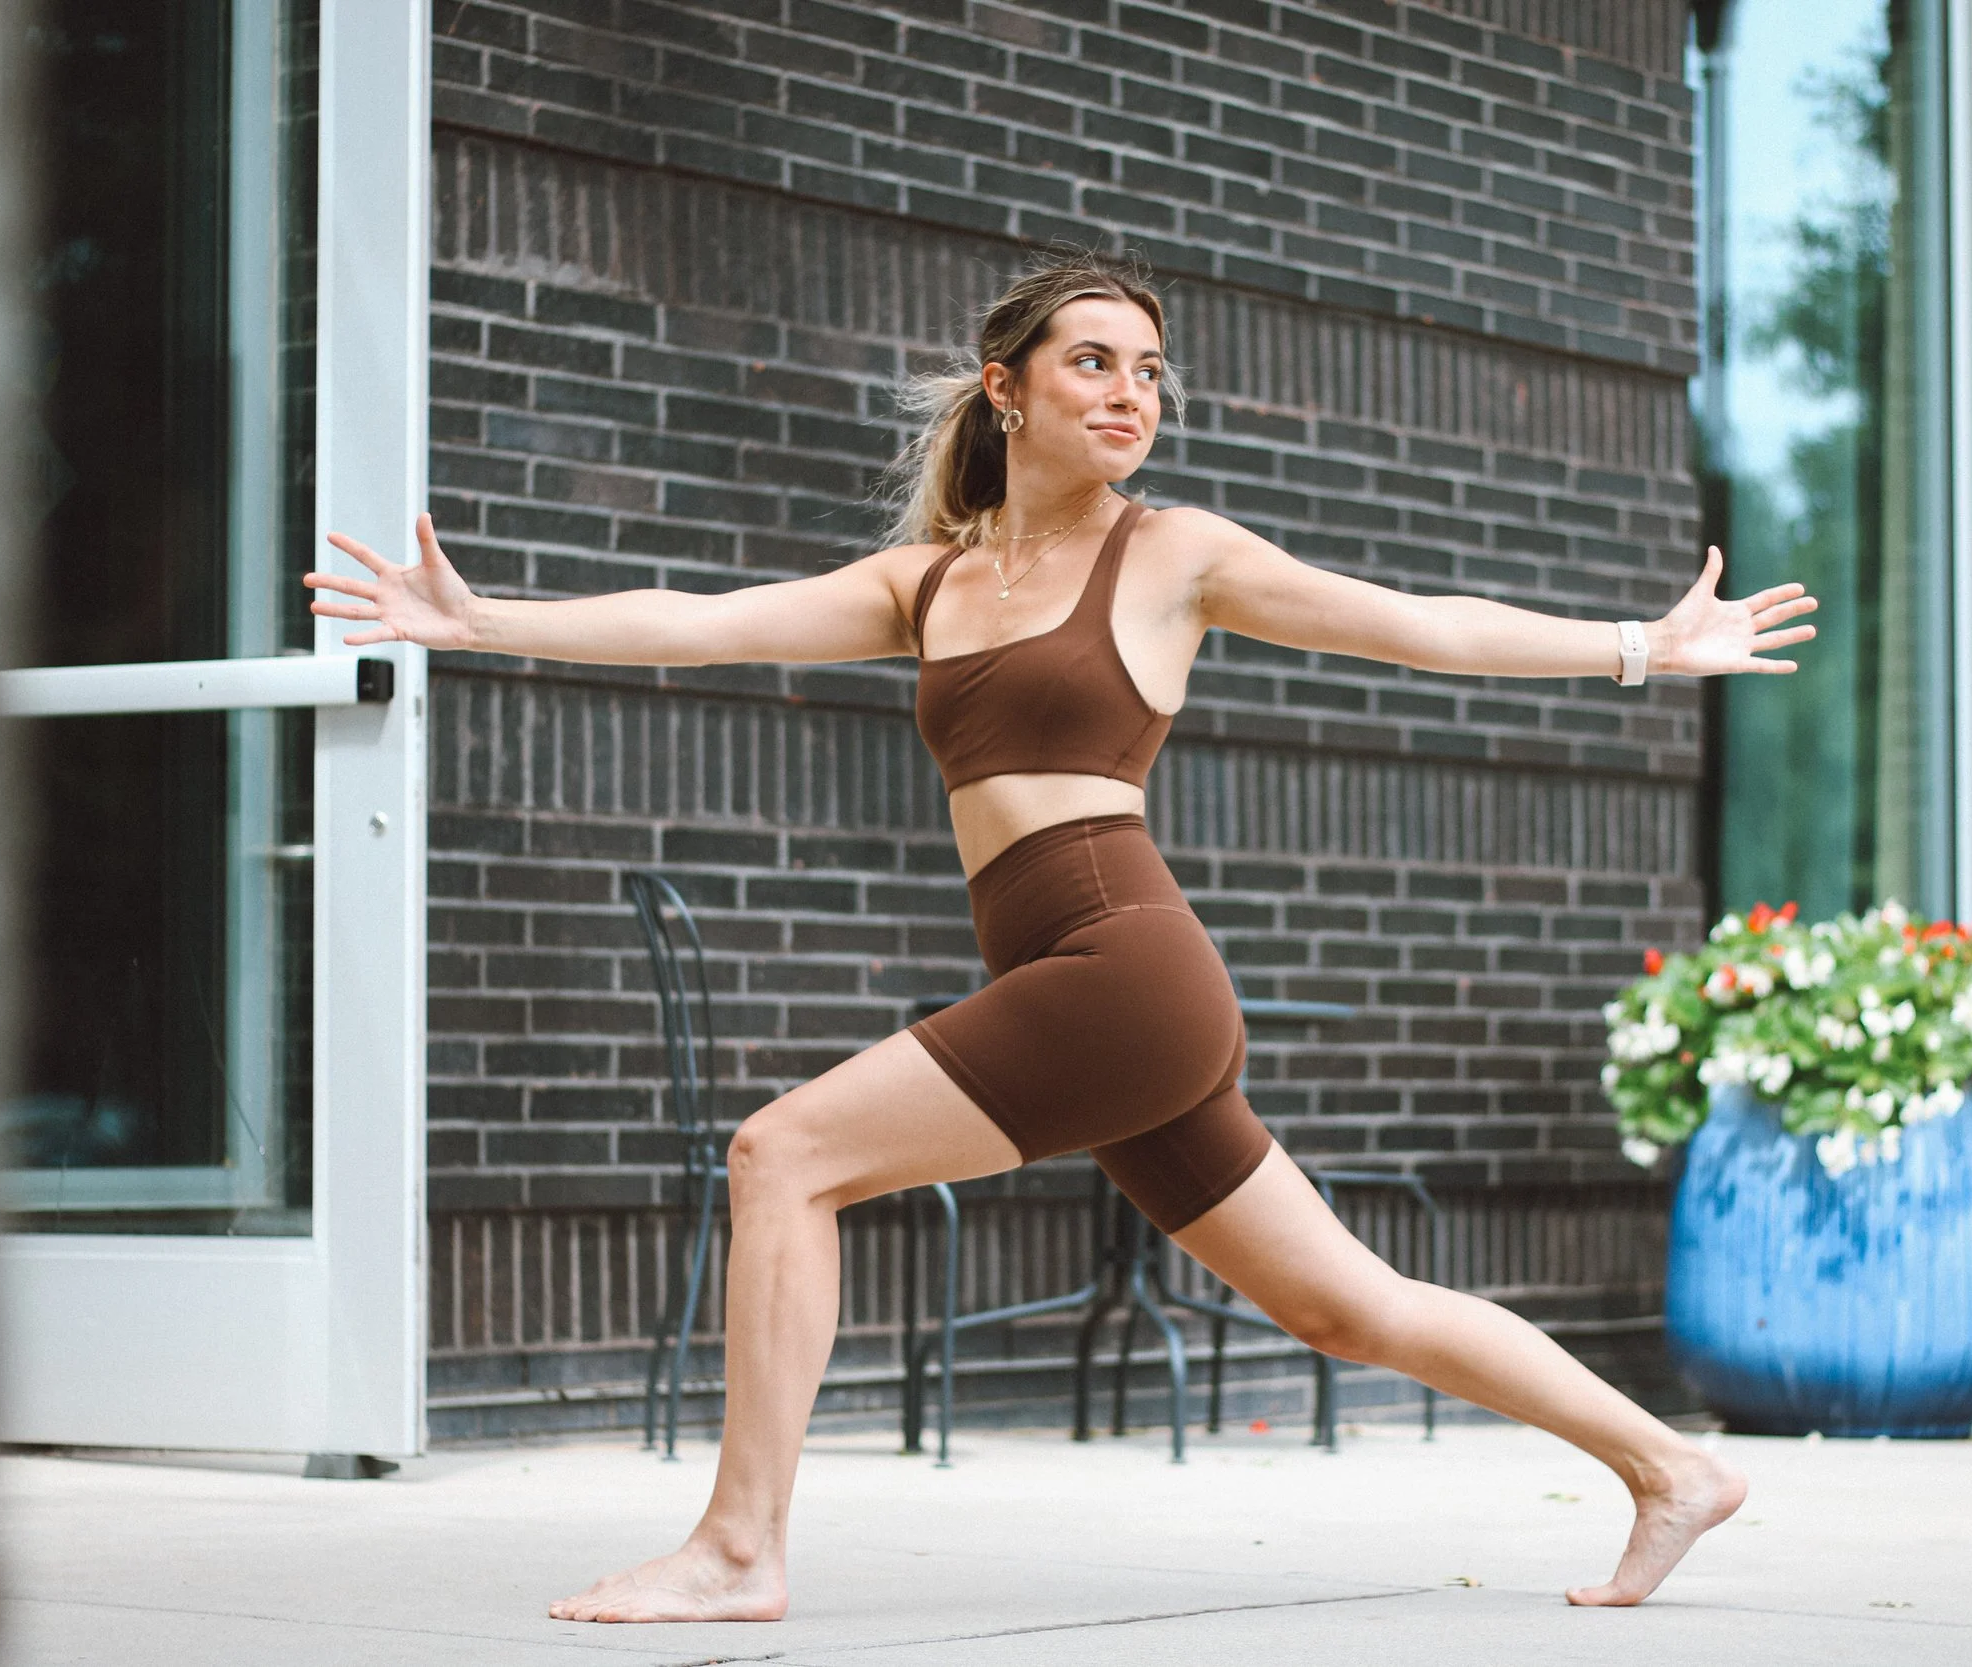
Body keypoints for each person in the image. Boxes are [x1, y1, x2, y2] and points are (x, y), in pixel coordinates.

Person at [308, 248, 1818, 1625]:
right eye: (1094, 361)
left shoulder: (1173, 556)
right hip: (1085, 984)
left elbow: (1413, 620)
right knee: (1344, 1302)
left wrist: (1644, 647)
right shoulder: (932, 583)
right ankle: (1668, 1466)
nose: (1130, 392)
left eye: (1150, 370)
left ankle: (739, 1545)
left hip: (1124, 968)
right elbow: (706, 617)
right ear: (1005, 386)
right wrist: (488, 619)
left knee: (784, 1153)